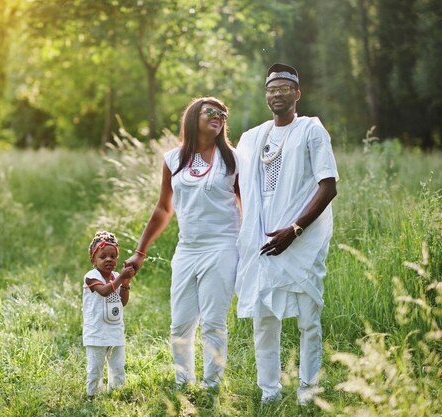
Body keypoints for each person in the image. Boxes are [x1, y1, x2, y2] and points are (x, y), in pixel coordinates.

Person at [234, 63, 338, 405]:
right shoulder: (253, 137)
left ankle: (309, 391)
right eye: (271, 89)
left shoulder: (311, 130)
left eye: (283, 88)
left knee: (309, 317)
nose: (277, 94)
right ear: (266, 96)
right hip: (263, 238)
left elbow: (328, 186)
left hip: (301, 238)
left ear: (297, 94)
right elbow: (233, 176)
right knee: (264, 318)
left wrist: (294, 230)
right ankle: (269, 391)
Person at [125, 97, 240, 391]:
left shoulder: (234, 159)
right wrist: (140, 251)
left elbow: (246, 204)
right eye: (210, 111)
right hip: (187, 249)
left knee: (214, 322)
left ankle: (211, 386)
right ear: (193, 118)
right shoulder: (173, 160)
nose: (218, 116)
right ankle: (183, 381)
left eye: (222, 113)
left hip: (223, 246)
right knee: (180, 323)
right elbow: (164, 209)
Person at [83, 230, 136, 399]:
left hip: (115, 329)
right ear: (93, 259)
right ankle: (93, 395)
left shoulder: (115, 276)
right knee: (95, 367)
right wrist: (121, 277)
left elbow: (123, 301)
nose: (108, 260)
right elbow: (105, 291)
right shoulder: (91, 277)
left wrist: (125, 284)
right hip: (96, 331)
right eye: (103, 256)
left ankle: (117, 393)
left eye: (113, 256)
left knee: (118, 366)